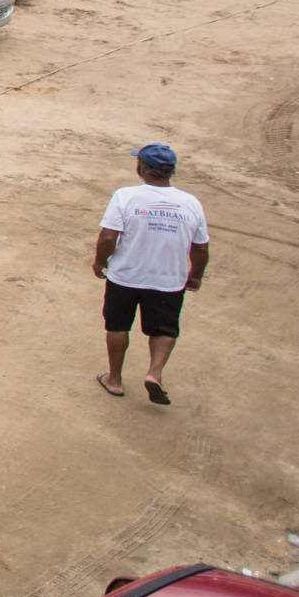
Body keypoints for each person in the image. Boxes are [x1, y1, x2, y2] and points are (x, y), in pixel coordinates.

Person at [93, 143, 209, 405]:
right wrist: (196, 275)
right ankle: (154, 373)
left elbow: (109, 235)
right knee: (164, 329)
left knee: (118, 325)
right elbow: (201, 247)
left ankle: (114, 378)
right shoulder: (190, 203)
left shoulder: (126, 196)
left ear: (142, 168)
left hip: (126, 275)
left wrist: (100, 261)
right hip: (168, 279)